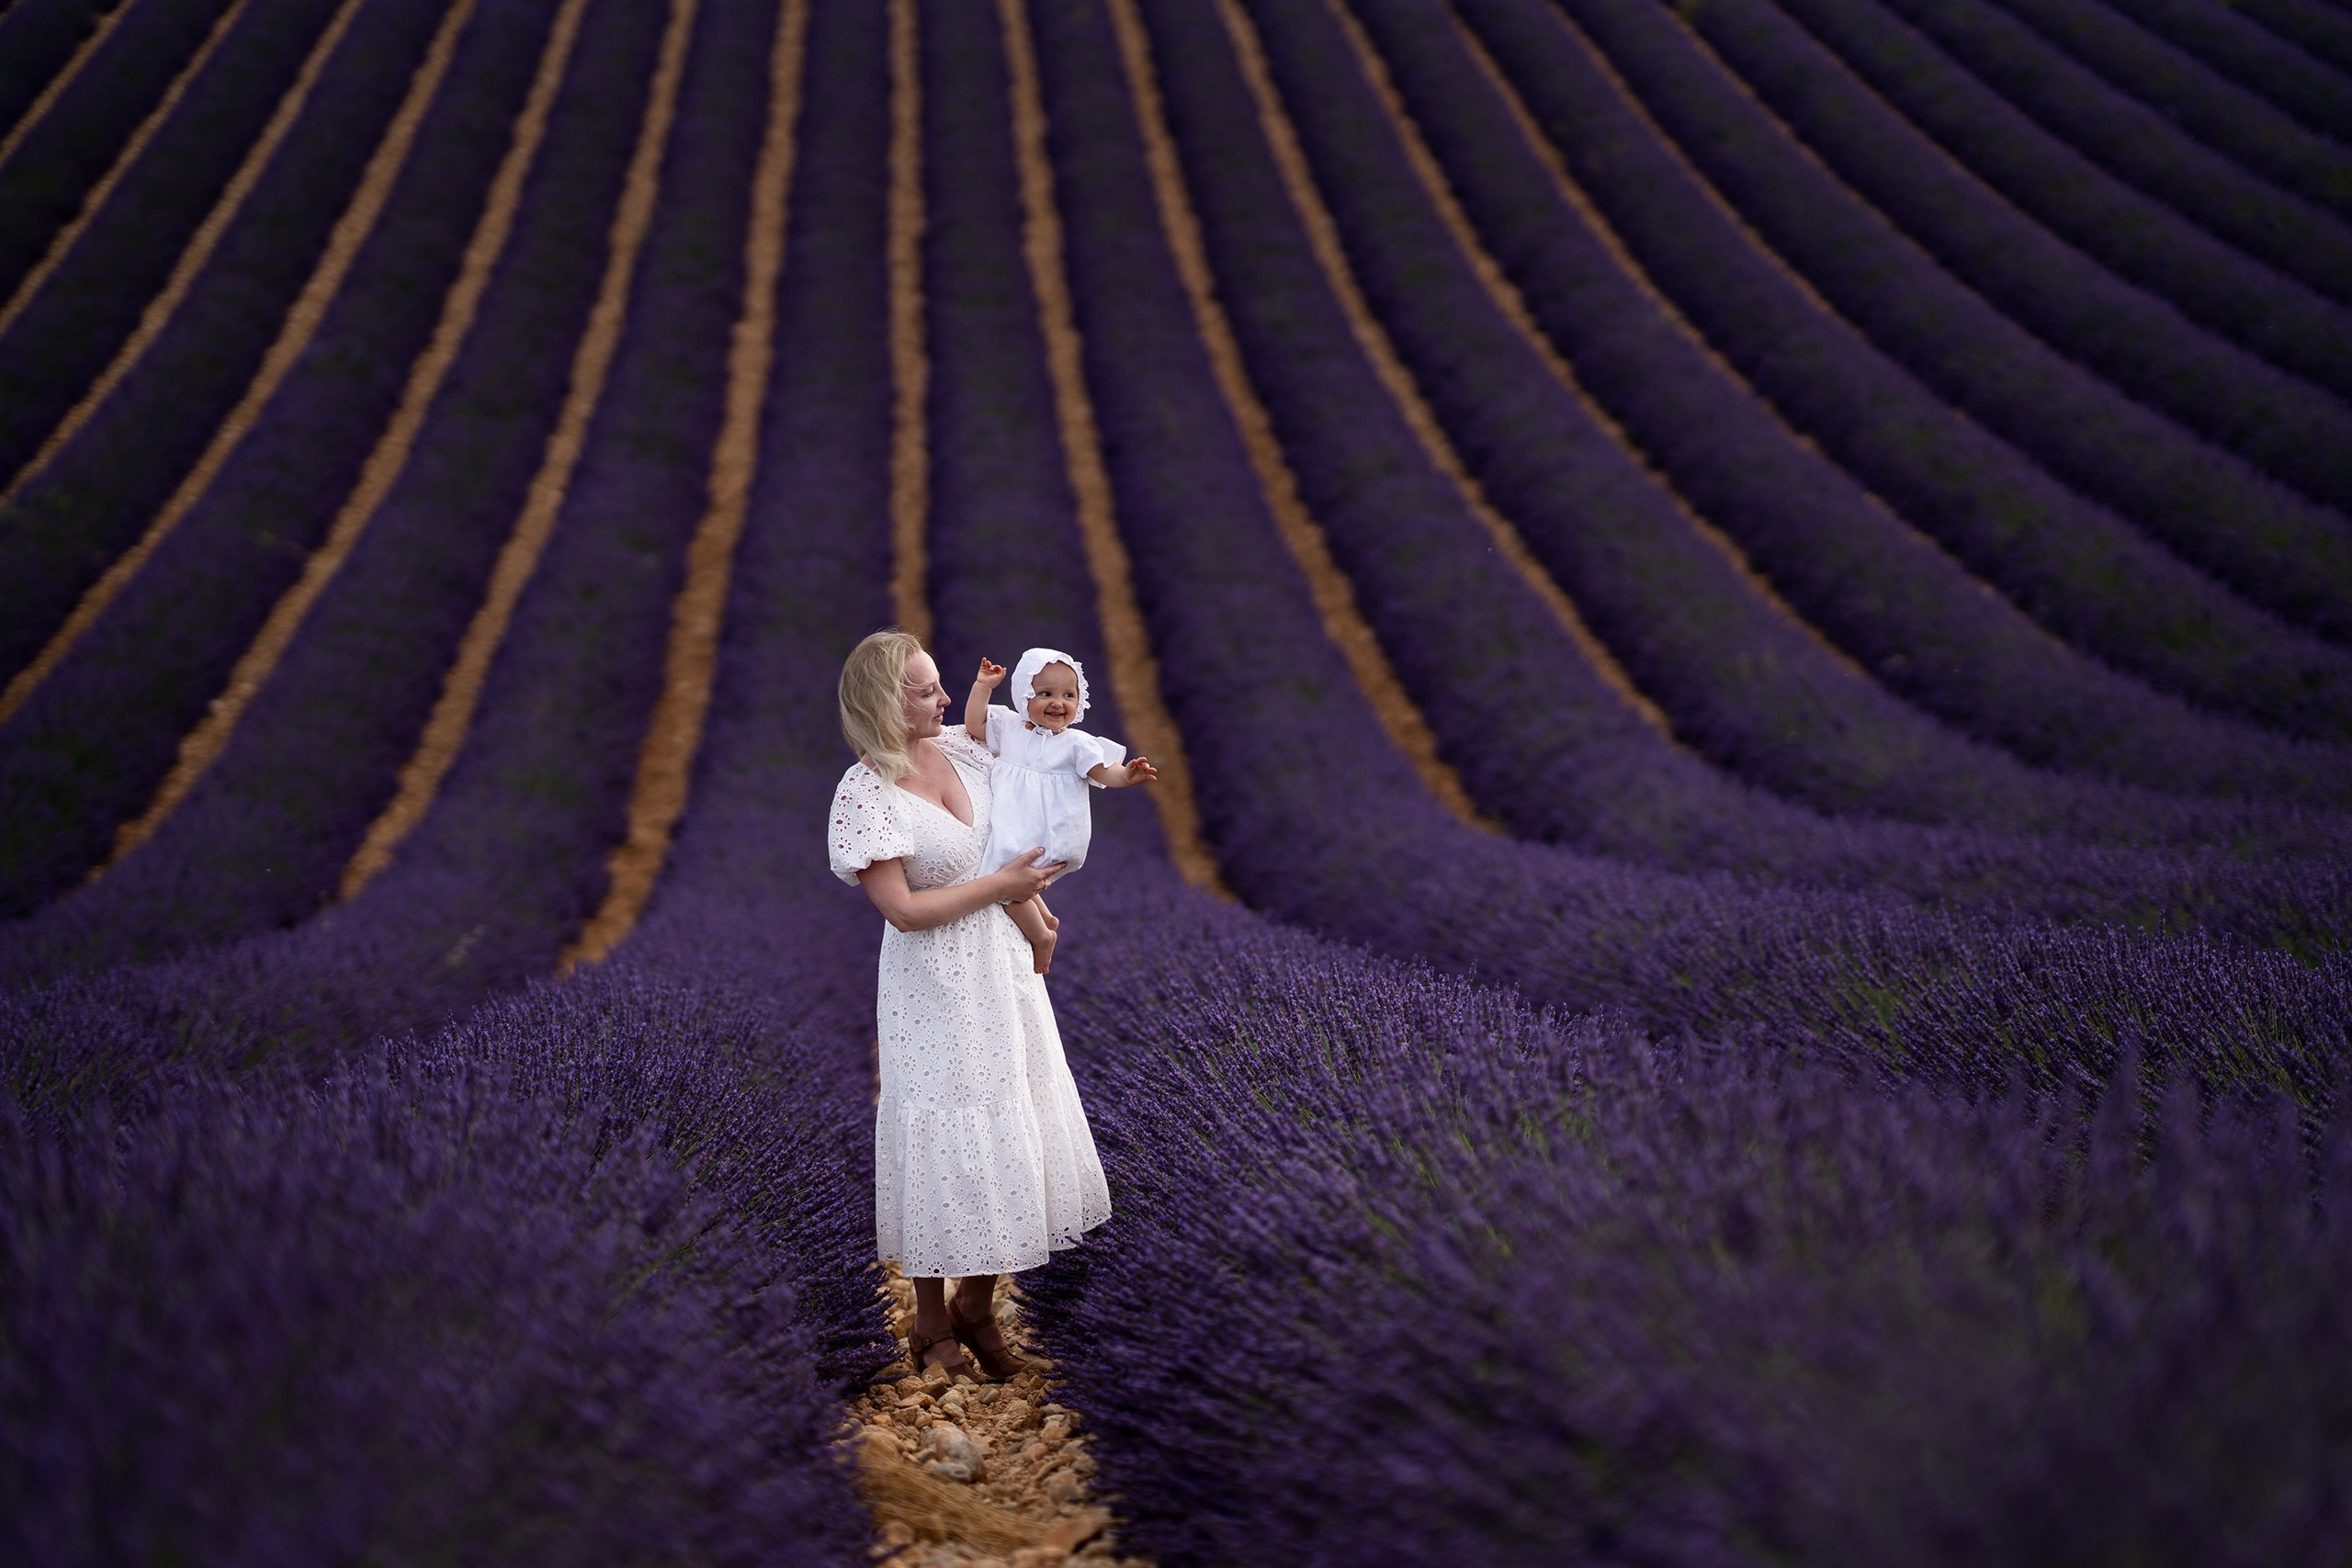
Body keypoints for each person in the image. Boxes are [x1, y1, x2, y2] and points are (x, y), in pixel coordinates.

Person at [828, 629, 1113, 1380]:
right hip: (932, 981)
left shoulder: (965, 748)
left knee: (1012, 1116)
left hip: (1001, 967)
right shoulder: (865, 791)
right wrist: (1006, 888)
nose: (945, 698)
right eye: (926, 690)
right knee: (940, 1132)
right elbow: (903, 910)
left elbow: (1048, 762)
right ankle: (928, 1320)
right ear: (886, 703)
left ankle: (977, 1306)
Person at [965, 648, 1159, 974]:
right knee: (1013, 874)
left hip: (1050, 831)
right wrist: (983, 686)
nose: (1058, 702)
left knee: (1000, 879)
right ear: (1023, 696)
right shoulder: (1010, 728)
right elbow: (974, 724)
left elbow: (1102, 772)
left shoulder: (1077, 744)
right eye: (1045, 693)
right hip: (1021, 828)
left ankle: (1041, 937)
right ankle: (1045, 916)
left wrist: (1126, 776)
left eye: (1069, 695)